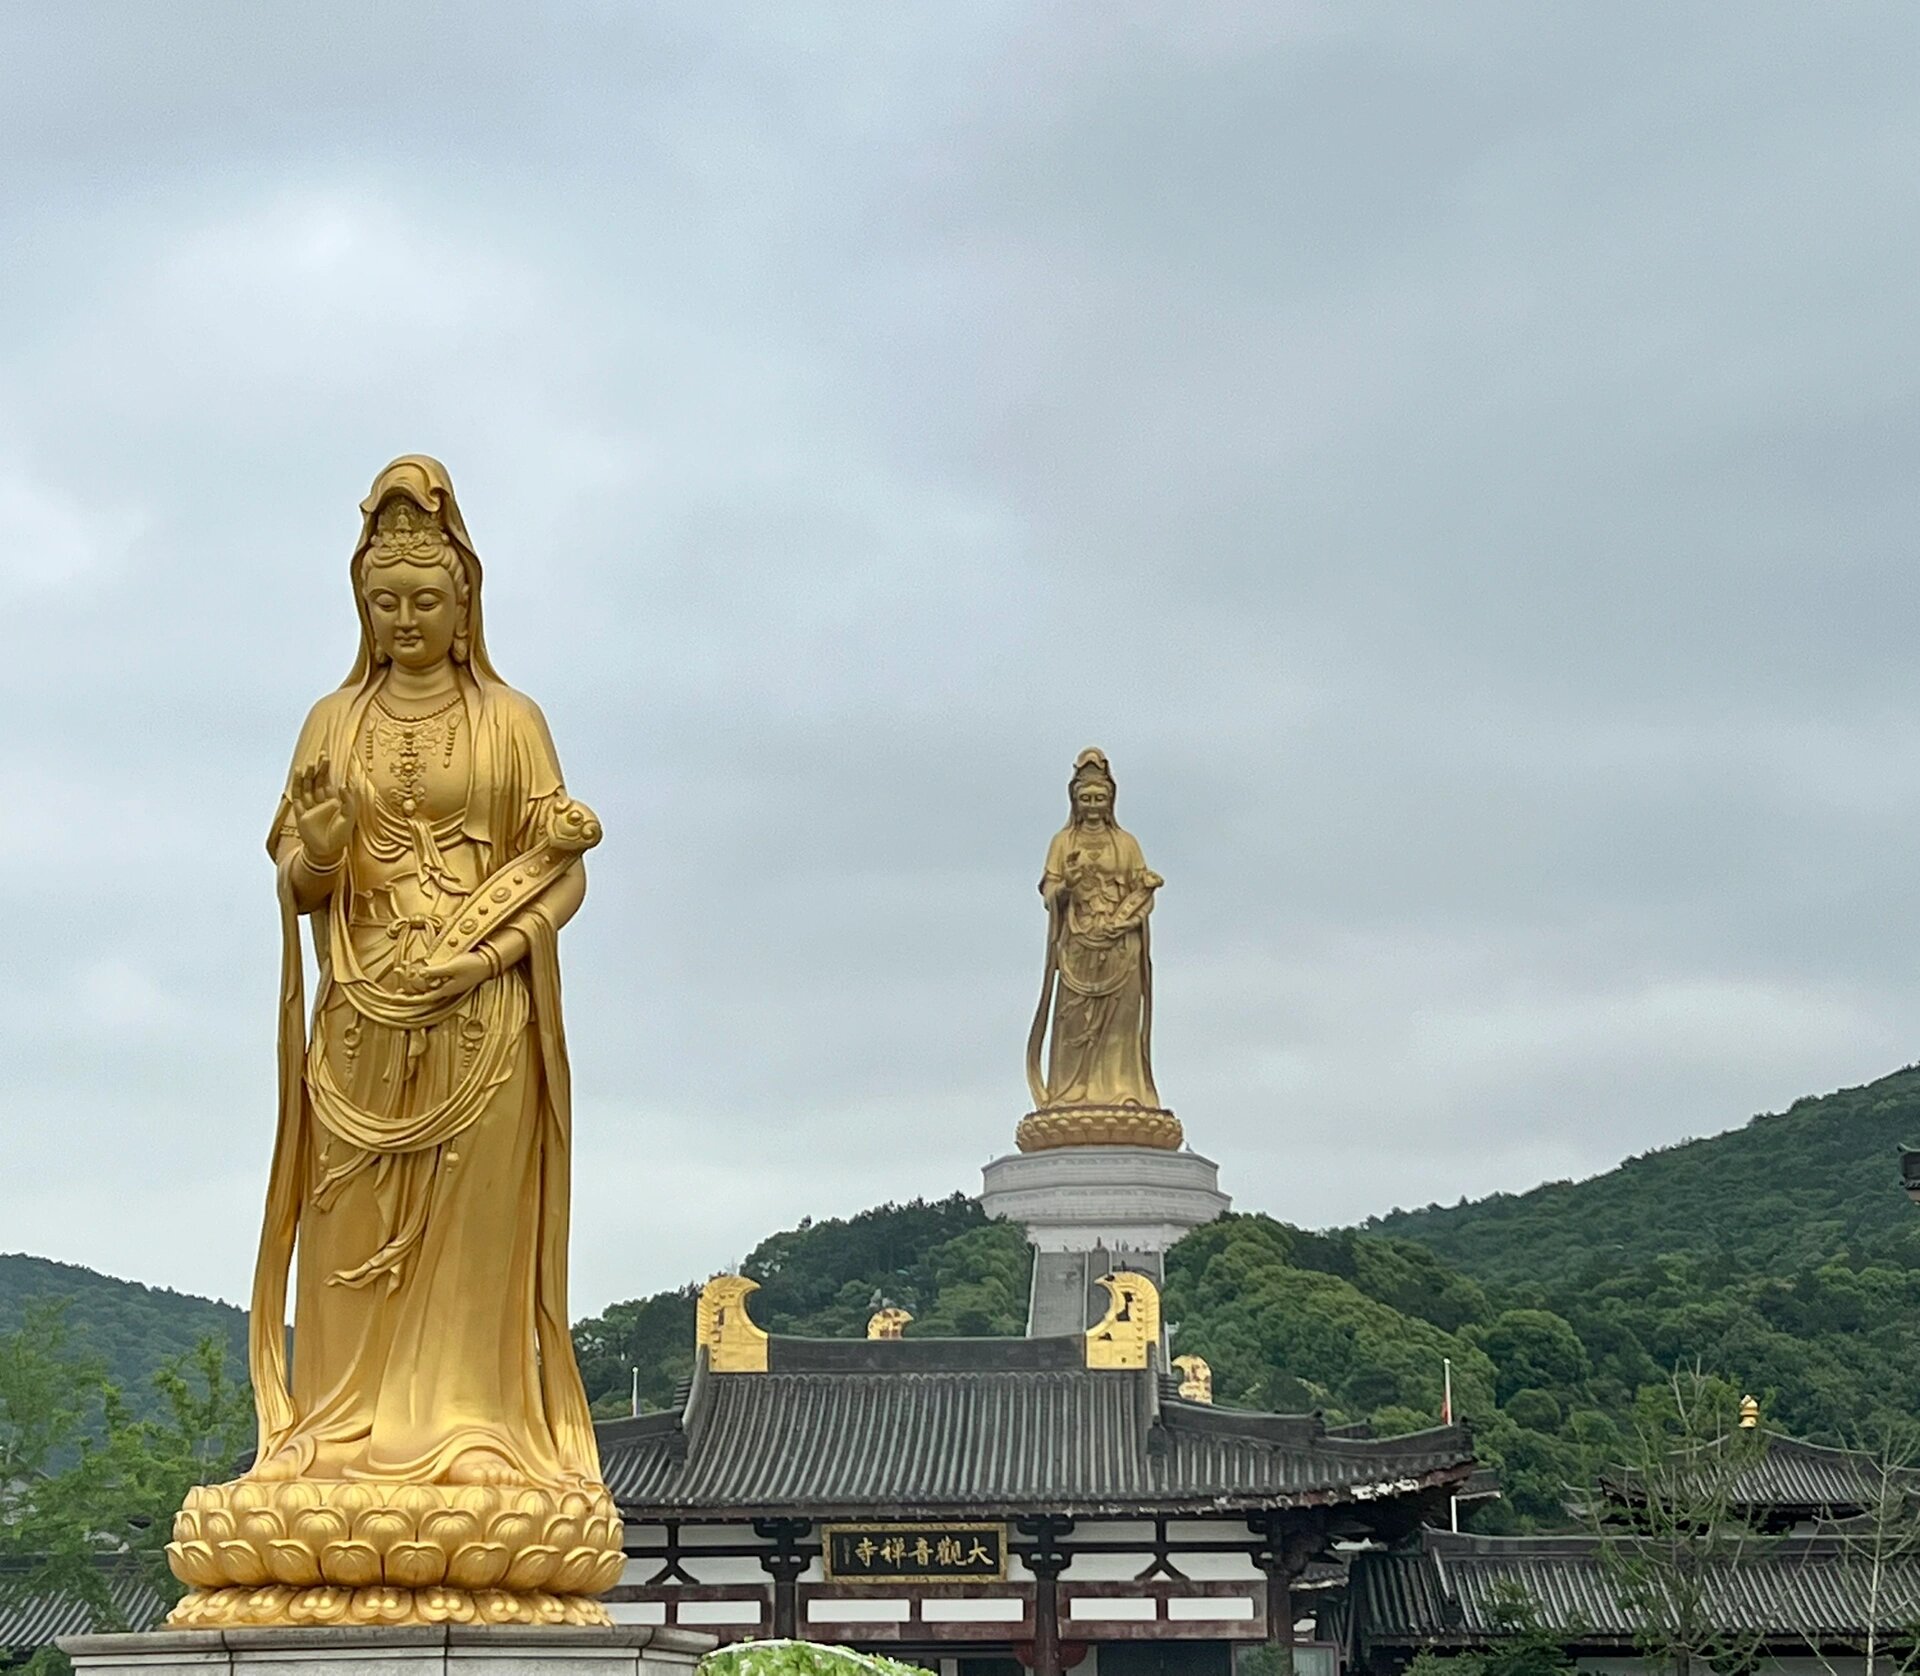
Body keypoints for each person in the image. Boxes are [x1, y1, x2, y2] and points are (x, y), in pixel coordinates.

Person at [249, 455, 601, 1491]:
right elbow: (297, 879)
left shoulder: (512, 720)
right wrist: (315, 848)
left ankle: (475, 1430)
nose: (405, 619)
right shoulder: (332, 722)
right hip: (361, 1019)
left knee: (472, 1237)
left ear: (465, 600)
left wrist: (488, 952)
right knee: (349, 1231)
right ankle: (333, 1434)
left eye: (426, 599)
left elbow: (561, 875)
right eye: (383, 601)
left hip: (482, 1022)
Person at [1027, 748, 1165, 1113]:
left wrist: (1130, 911)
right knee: (1074, 1022)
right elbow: (1049, 892)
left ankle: (1123, 1091)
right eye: (1085, 798)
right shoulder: (1063, 843)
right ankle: (1070, 1094)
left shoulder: (1127, 843)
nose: (1092, 805)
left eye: (1099, 798)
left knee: (1120, 1025)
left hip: (1121, 947)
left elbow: (1143, 888)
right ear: (1074, 799)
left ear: (1111, 799)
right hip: (1078, 945)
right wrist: (1067, 886)